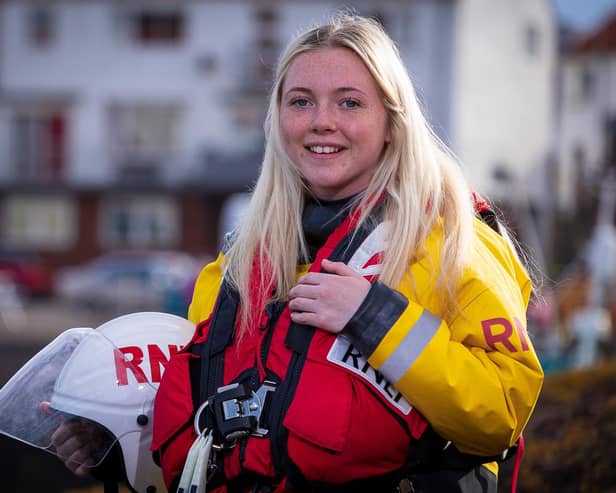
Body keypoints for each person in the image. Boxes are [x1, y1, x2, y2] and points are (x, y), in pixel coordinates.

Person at [151, 13, 544, 493]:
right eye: (301, 102)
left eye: (349, 103)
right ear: (278, 119)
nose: (322, 122)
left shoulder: (454, 242)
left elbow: (503, 409)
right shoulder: (241, 261)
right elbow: (191, 406)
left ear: (391, 123)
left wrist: (374, 316)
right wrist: (110, 439)